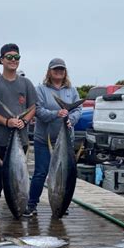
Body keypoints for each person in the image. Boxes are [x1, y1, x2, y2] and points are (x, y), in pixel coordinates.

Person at [24, 58, 81, 216]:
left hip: (65, 140)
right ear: (49, 71)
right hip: (44, 139)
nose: (59, 72)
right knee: (41, 172)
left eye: (62, 69)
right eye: (55, 69)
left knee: (64, 174)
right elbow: (38, 111)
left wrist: (71, 119)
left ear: (65, 72)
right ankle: (32, 204)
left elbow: (78, 109)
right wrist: (57, 114)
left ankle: (62, 202)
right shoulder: (41, 89)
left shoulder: (72, 91)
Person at [0, 43, 37, 217]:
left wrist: (24, 121)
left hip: (20, 138)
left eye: (16, 57)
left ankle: (19, 201)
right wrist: (7, 122)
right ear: (1, 60)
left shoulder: (26, 83)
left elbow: (33, 107)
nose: (13, 60)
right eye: (9, 57)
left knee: (19, 173)